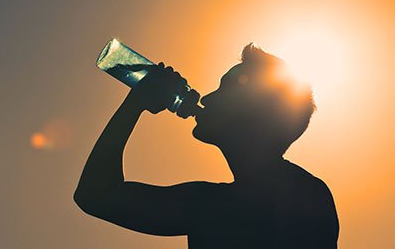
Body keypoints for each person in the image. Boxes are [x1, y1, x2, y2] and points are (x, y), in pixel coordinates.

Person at [74, 43, 339, 248]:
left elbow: (96, 196)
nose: (207, 98)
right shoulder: (210, 204)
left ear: (253, 112)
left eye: (223, 89)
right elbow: (94, 196)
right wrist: (135, 103)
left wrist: (135, 105)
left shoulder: (302, 196)